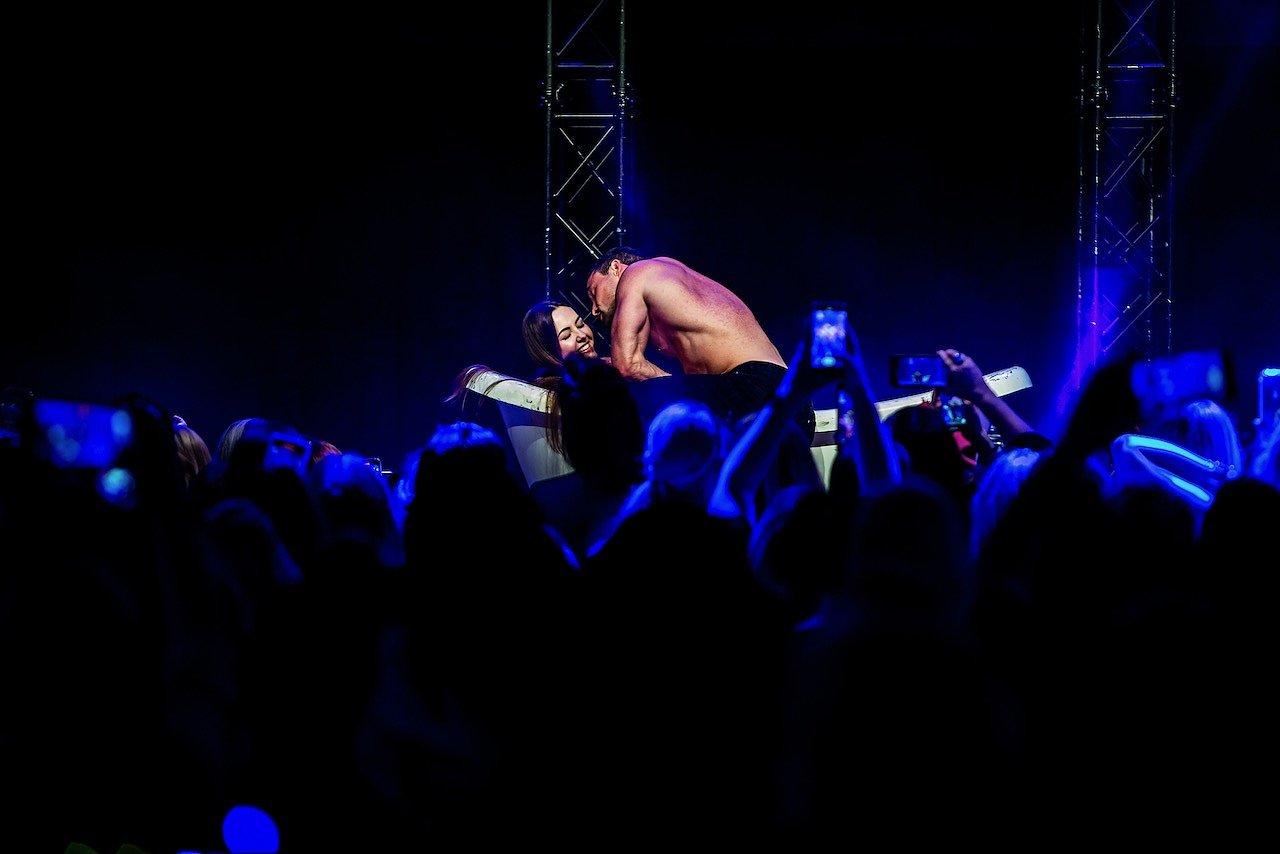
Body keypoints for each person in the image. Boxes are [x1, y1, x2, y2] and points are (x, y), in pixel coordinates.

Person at [585, 247, 812, 436]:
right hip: (790, 396)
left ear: (615, 268)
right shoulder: (671, 273)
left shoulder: (635, 272)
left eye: (593, 292)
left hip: (749, 389)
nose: (594, 309)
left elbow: (627, 366)